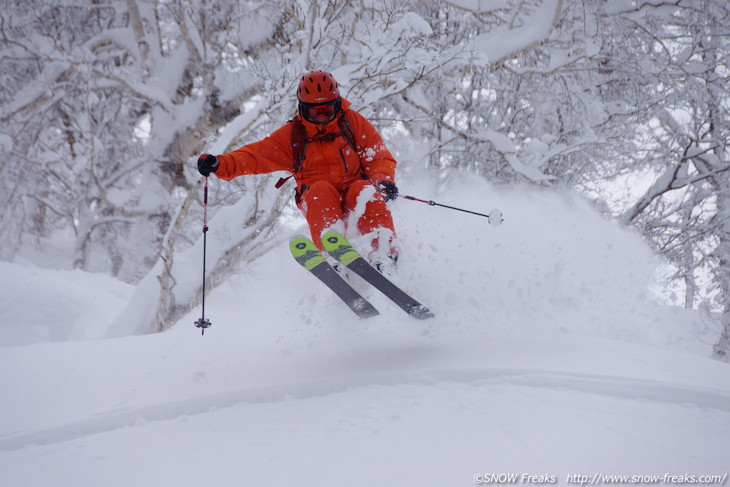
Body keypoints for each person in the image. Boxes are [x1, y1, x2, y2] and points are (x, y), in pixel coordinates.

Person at [197, 69, 400, 270]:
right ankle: (333, 254)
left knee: (363, 190)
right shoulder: (293, 136)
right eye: (314, 111)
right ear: (303, 109)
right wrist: (220, 163)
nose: (321, 117)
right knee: (320, 189)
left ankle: (384, 253)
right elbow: (255, 156)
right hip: (319, 200)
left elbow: (377, 156)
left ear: (337, 105)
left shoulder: (351, 123)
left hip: (354, 197)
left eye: (326, 110)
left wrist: (384, 181)